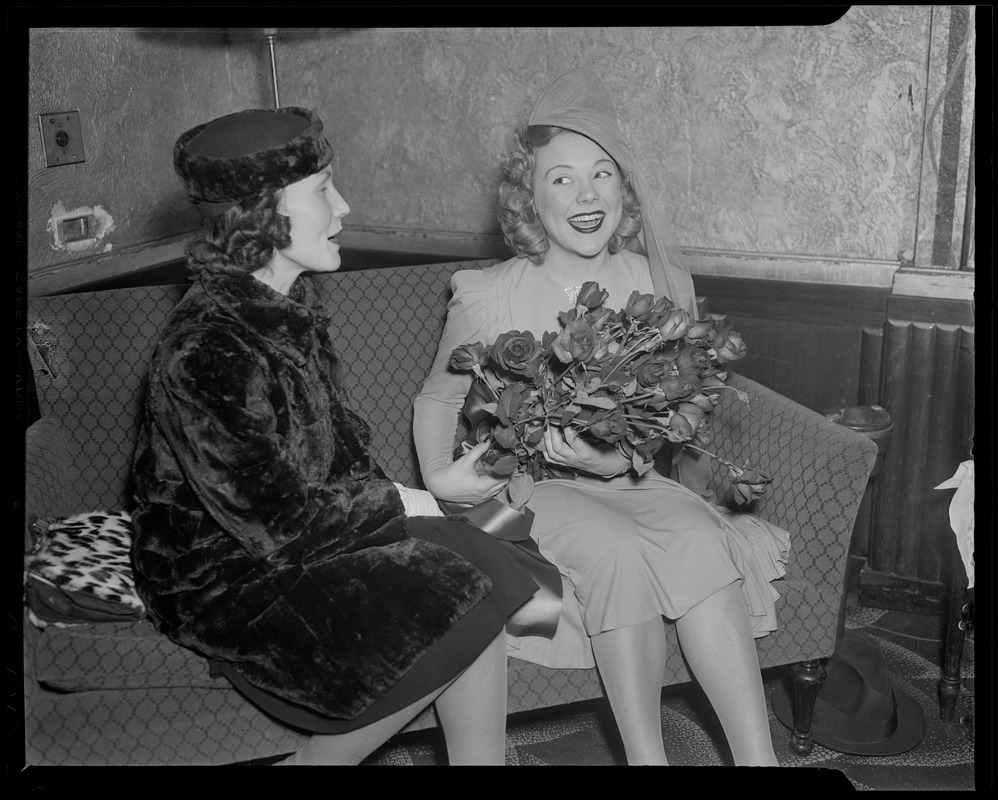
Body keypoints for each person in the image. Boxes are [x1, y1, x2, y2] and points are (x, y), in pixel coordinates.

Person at [130, 106, 537, 766]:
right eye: (322, 190)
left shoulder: (288, 310)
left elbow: (334, 463)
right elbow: (277, 522)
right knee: (451, 591)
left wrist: (430, 493)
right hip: (224, 579)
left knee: (484, 558)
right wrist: (406, 503)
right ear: (262, 212)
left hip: (299, 539)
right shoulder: (206, 347)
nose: (344, 208)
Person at [414, 69, 790, 766]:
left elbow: (671, 416)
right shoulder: (486, 295)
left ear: (625, 188)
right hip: (525, 490)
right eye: (561, 179)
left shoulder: (658, 282)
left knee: (700, 540)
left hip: (629, 481)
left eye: (602, 174)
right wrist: (441, 477)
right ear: (529, 195)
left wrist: (616, 460)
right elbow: (436, 399)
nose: (586, 196)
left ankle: (758, 762)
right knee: (616, 553)